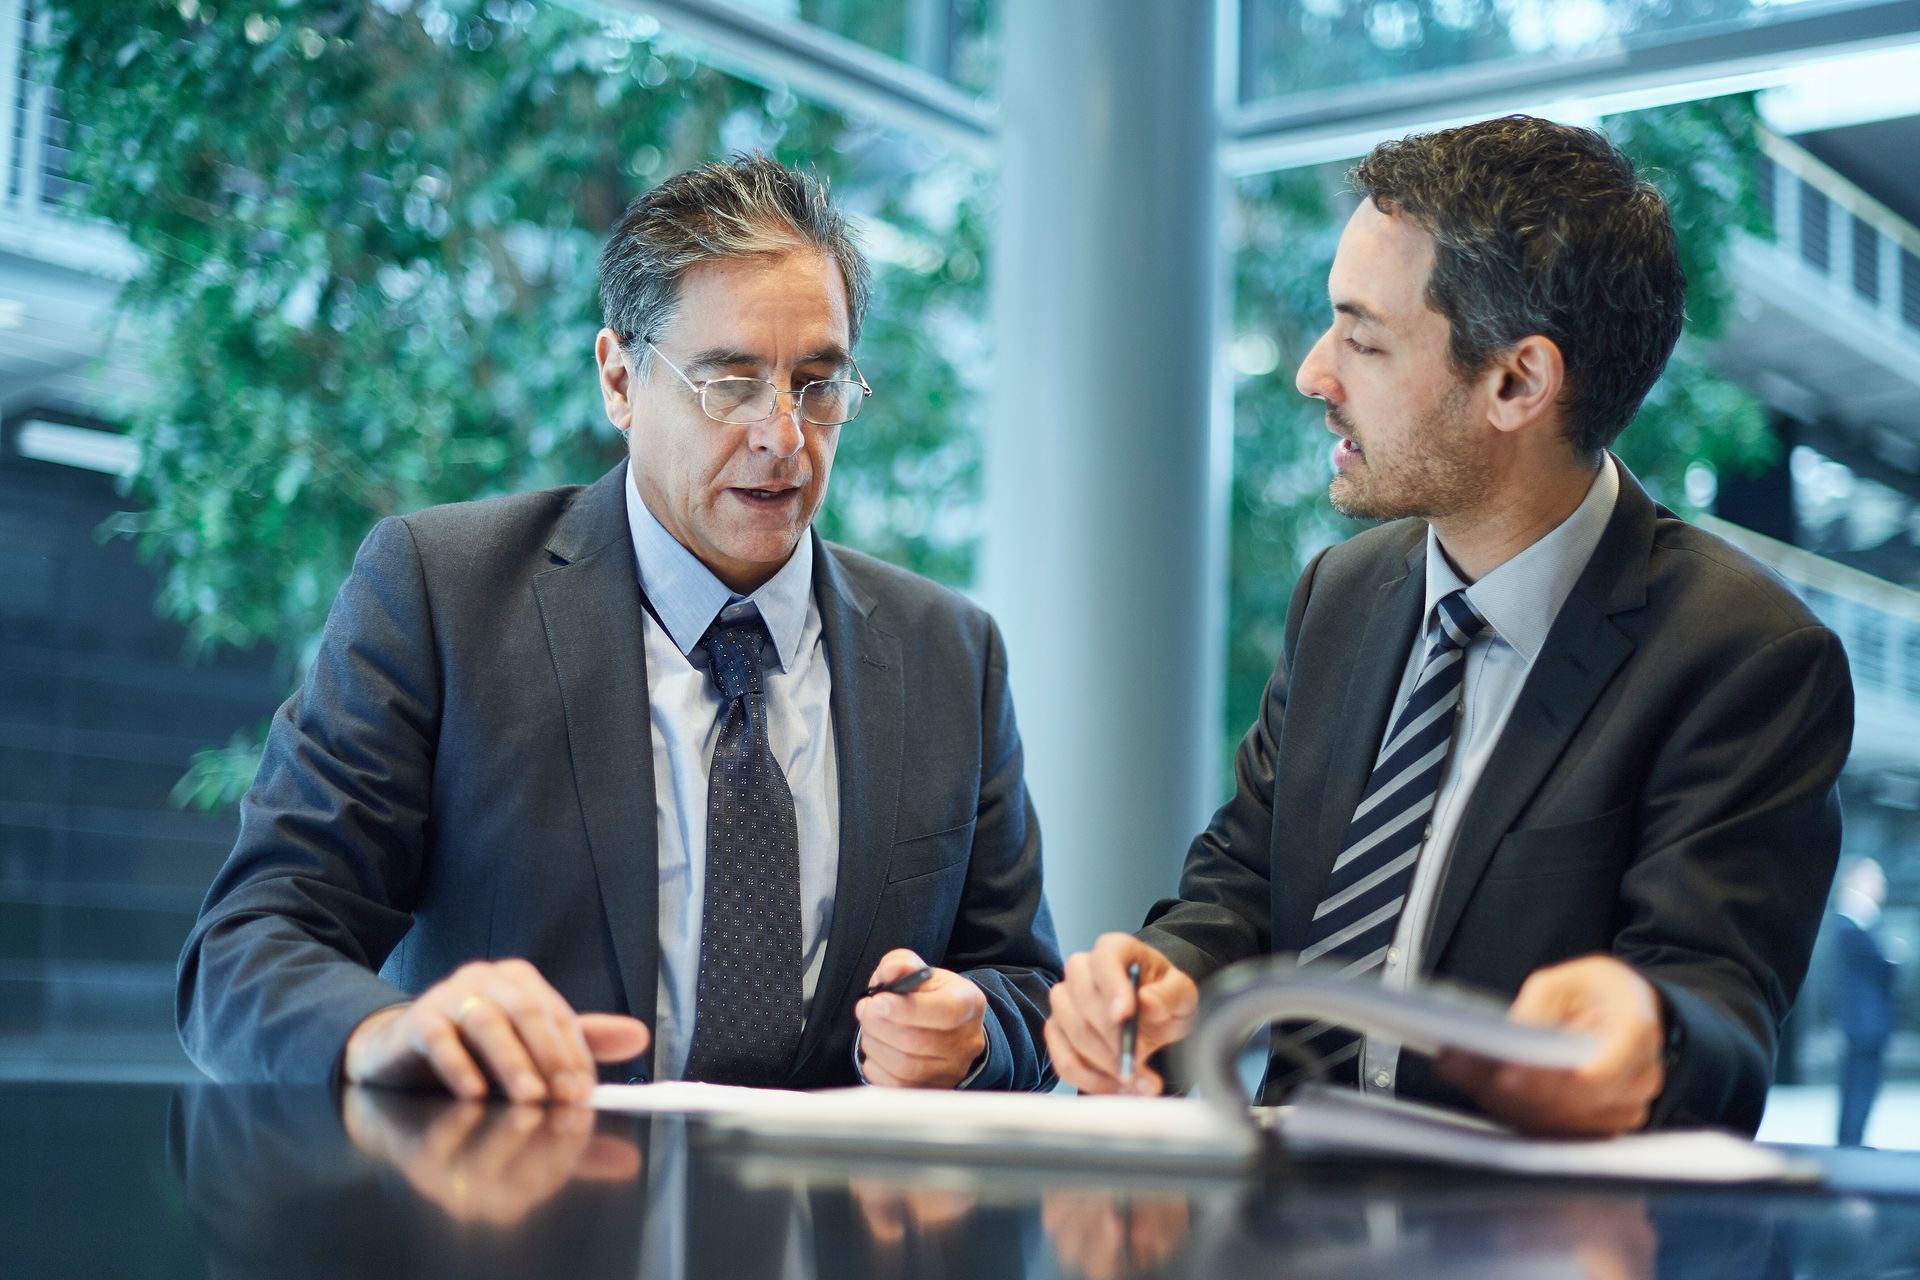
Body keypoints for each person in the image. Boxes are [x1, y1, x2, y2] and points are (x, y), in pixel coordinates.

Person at [177, 154, 1062, 1102]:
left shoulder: (948, 654)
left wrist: (972, 1039)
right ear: (620, 380)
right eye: (729, 381)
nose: (784, 434)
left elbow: (1025, 986)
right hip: (520, 1225)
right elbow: (248, 949)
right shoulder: (443, 597)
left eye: (818, 382)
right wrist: (393, 1035)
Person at [1044, 115, 1853, 1136]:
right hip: (1278, 1213)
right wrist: (1163, 976)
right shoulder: (1340, 593)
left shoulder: (1745, 655)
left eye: (1363, 337)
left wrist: (1647, 1031)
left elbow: (1717, 1008)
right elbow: (1243, 882)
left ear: (1518, 382)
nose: (1313, 374)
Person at [1832, 858, 1898, 1145]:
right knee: (1858, 1086)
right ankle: (1850, 1143)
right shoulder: (1852, 923)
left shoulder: (1863, 922)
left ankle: (1852, 1141)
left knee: (1862, 1086)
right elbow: (1884, 966)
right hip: (1863, 1022)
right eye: (1875, 876)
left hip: (1867, 1022)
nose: (1881, 883)